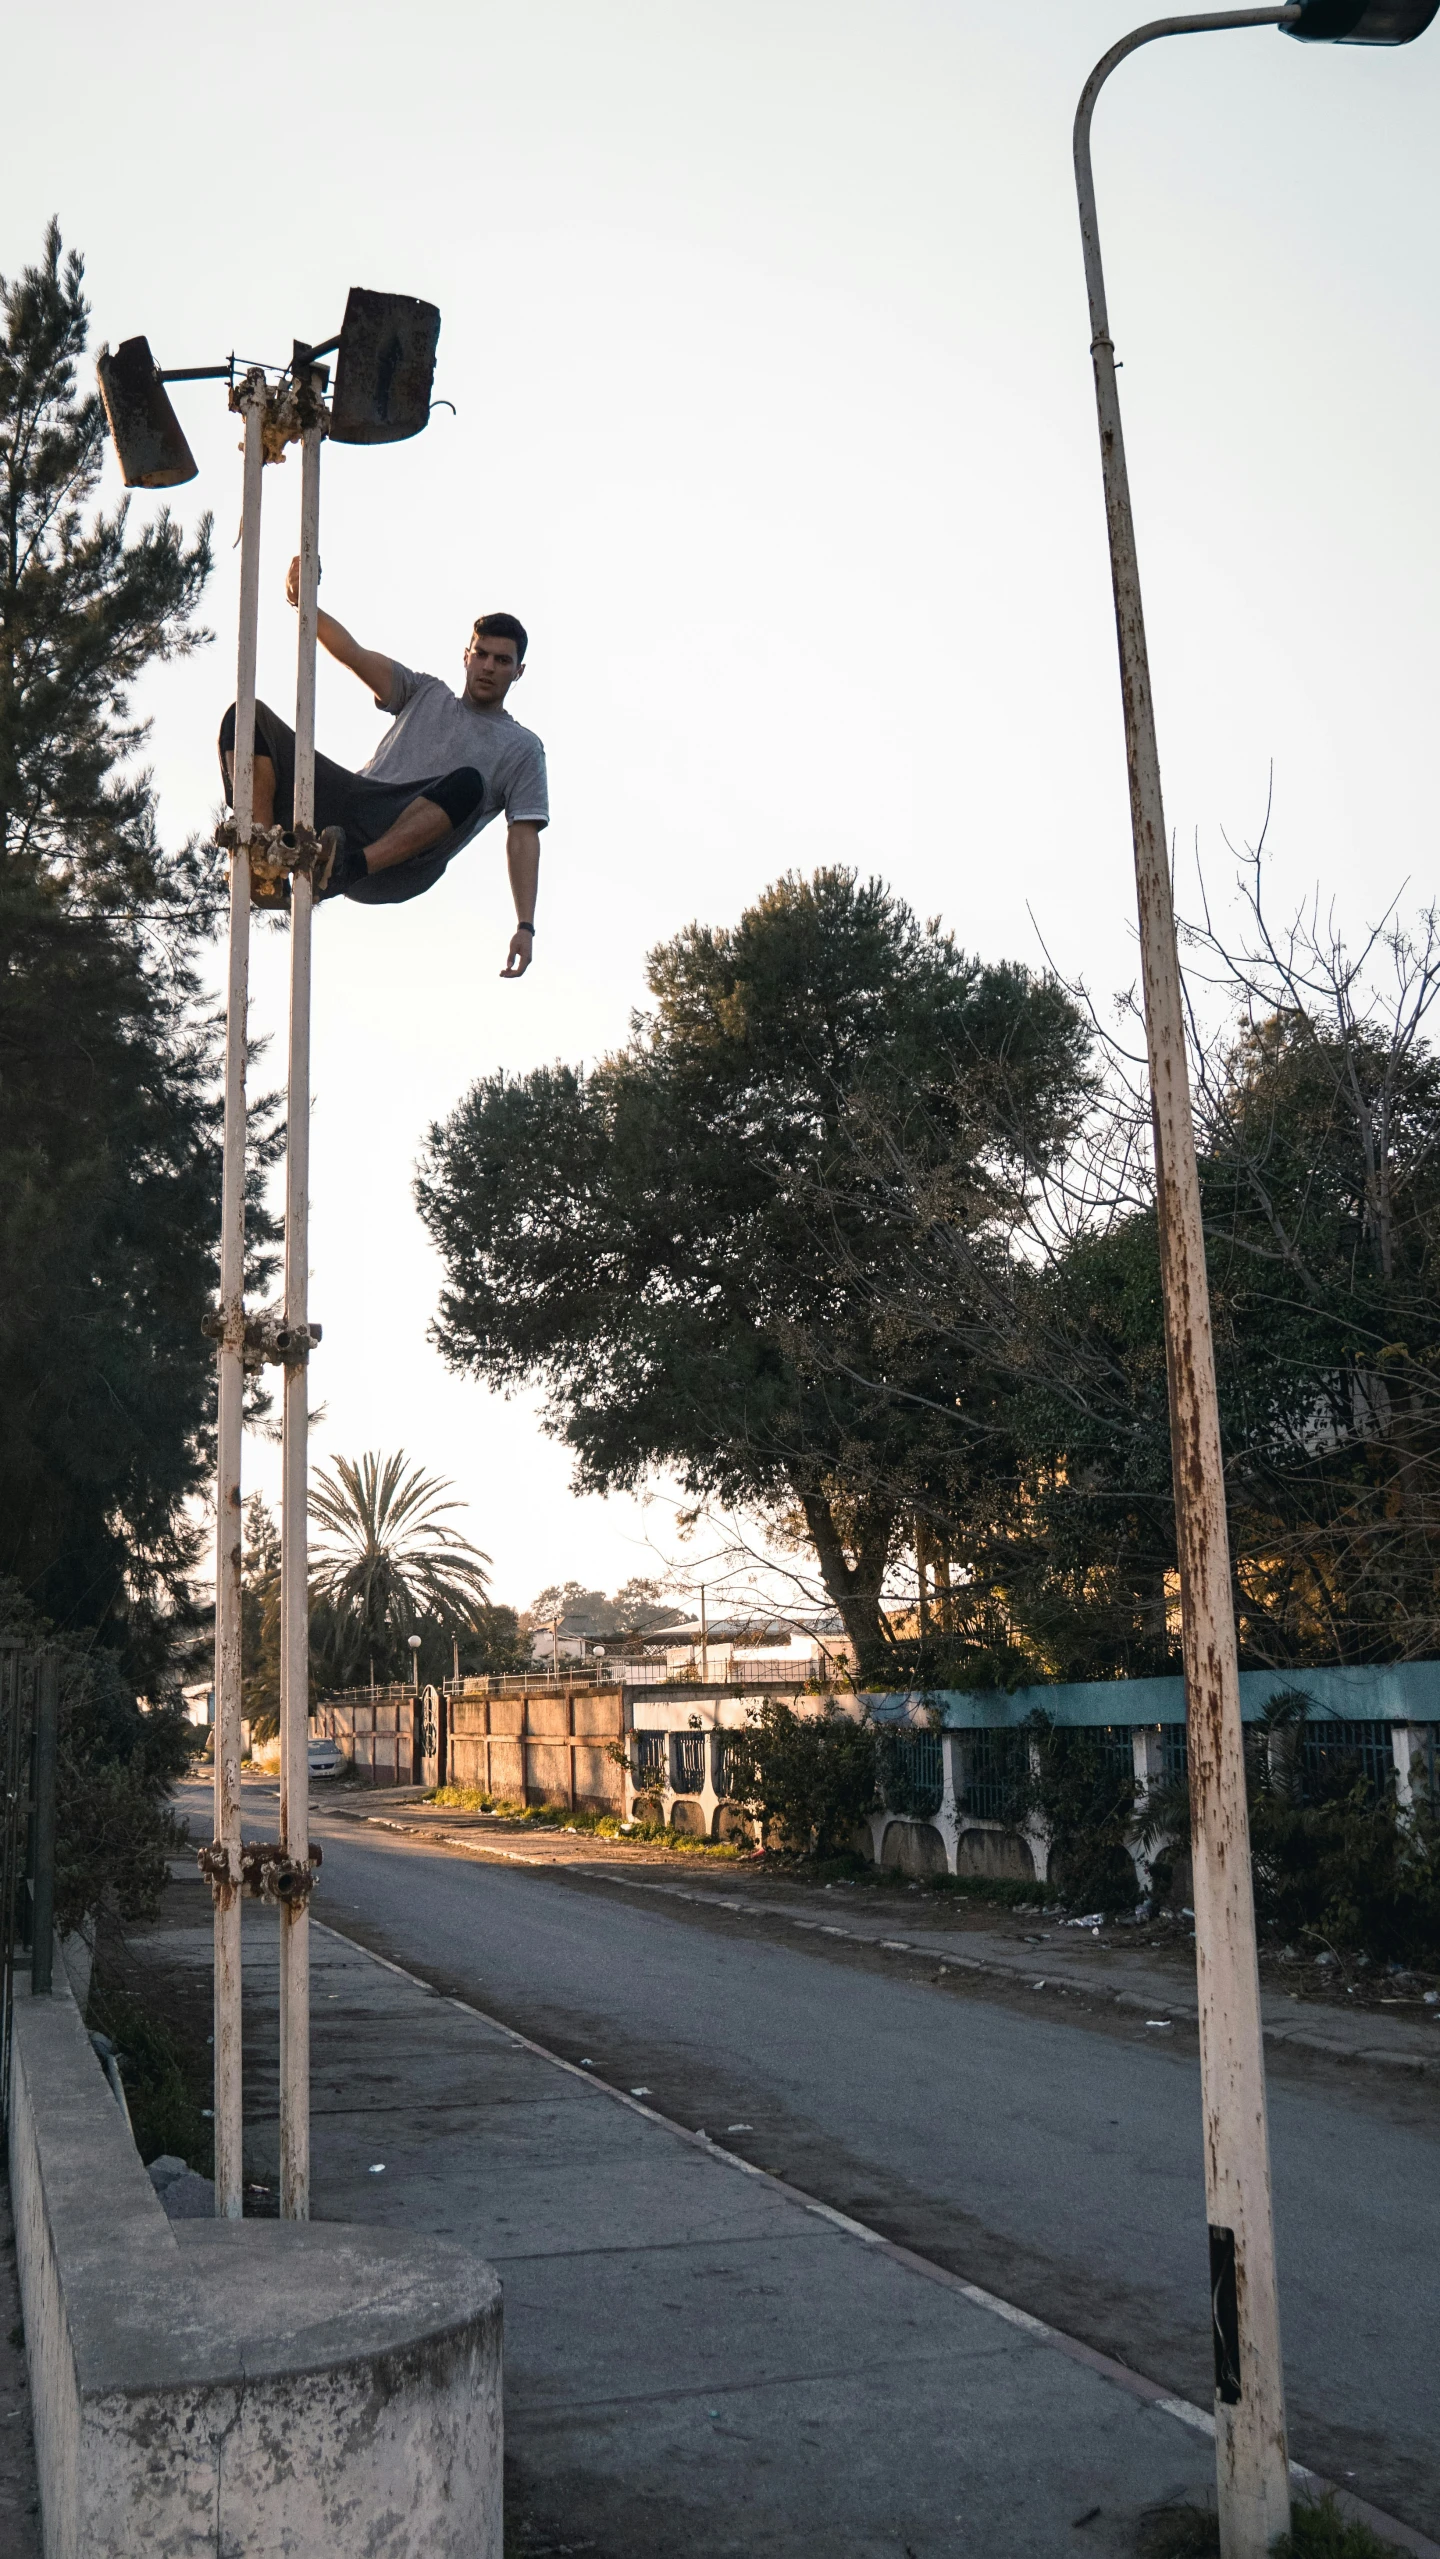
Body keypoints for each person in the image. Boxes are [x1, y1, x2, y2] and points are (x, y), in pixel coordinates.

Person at [218, 565, 547, 977]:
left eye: (502, 661)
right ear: (466, 655)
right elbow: (354, 654)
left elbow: (523, 836)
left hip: (402, 854)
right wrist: (304, 604)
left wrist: (525, 925)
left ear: (518, 671)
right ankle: (264, 856)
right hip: (352, 811)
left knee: (469, 783)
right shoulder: (424, 691)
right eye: (481, 654)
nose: (488, 666)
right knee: (247, 718)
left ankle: (348, 868)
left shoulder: (522, 748)